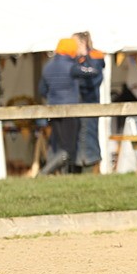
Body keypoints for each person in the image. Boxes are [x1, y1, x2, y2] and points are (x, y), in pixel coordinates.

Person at [37, 38, 81, 175]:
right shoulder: (72, 66)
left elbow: (42, 90)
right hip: (70, 110)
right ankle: (44, 173)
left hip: (53, 110)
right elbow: (93, 73)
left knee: (61, 145)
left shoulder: (48, 66)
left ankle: (60, 173)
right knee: (69, 148)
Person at [71, 31, 106, 170]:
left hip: (89, 100)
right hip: (78, 102)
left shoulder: (94, 57)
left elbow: (94, 78)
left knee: (88, 134)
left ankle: (90, 165)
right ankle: (81, 164)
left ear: (82, 42)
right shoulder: (77, 59)